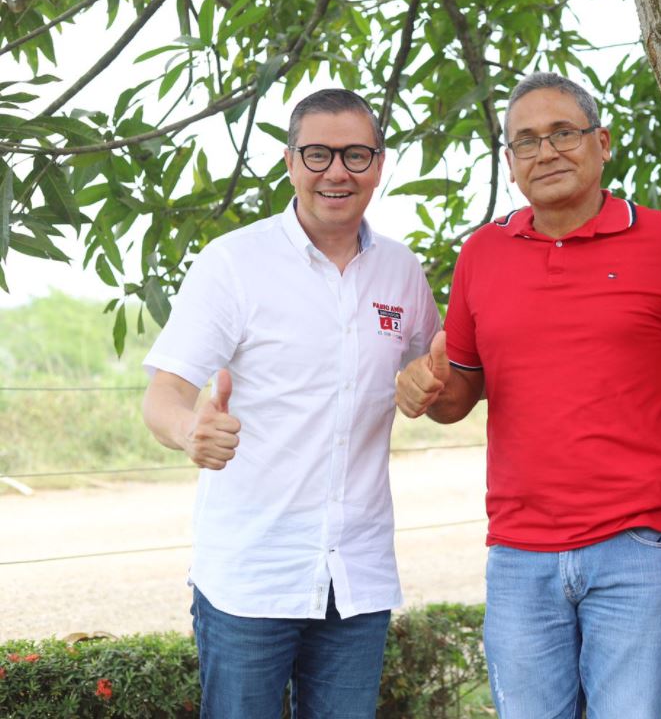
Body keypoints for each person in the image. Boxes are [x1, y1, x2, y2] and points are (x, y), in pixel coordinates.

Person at [395, 72, 661, 718]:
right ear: (508, 163)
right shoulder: (482, 253)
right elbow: (459, 391)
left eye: (563, 133)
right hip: (518, 552)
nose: (545, 152)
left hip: (637, 547)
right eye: (525, 141)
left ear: (602, 141)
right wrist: (423, 391)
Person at [142, 88, 439, 718]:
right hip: (252, 572)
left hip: (355, 576)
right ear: (289, 161)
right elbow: (164, 395)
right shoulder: (234, 262)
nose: (337, 171)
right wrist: (190, 431)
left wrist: (428, 384)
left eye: (356, 155)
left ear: (379, 165)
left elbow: (434, 373)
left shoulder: (402, 271)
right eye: (318, 154)